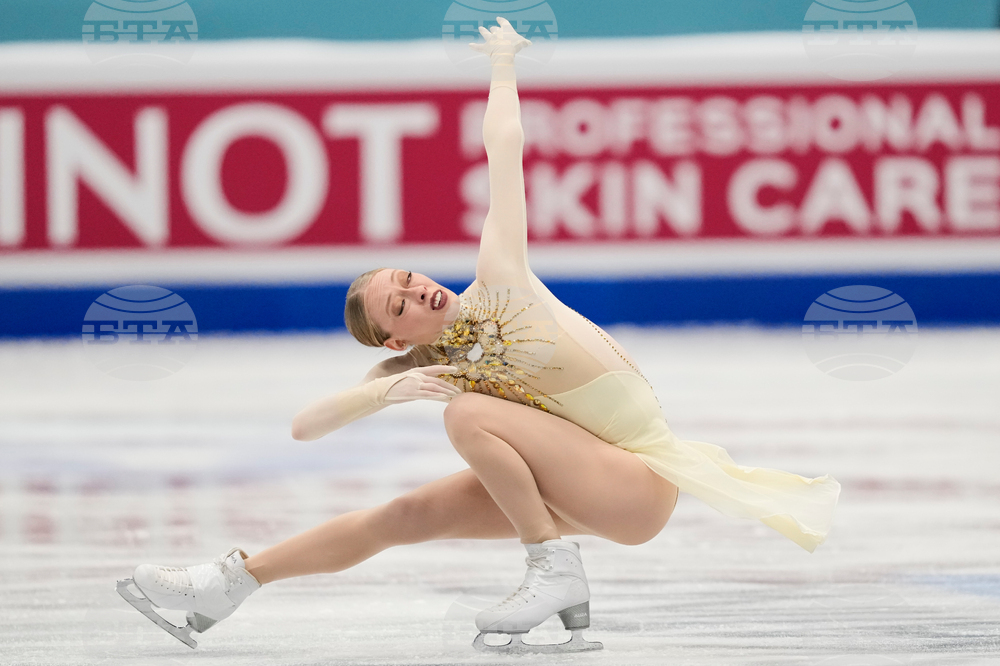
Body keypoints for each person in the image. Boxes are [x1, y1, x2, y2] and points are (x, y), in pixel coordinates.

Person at [118, 18, 841, 654]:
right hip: (585, 475)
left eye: (404, 278)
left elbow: (505, 150)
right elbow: (307, 428)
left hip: (639, 482)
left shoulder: (500, 280)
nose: (413, 290)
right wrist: (388, 391)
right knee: (401, 515)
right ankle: (230, 582)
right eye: (396, 306)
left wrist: (502, 68)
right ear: (394, 340)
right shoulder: (423, 371)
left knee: (466, 413)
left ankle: (551, 569)